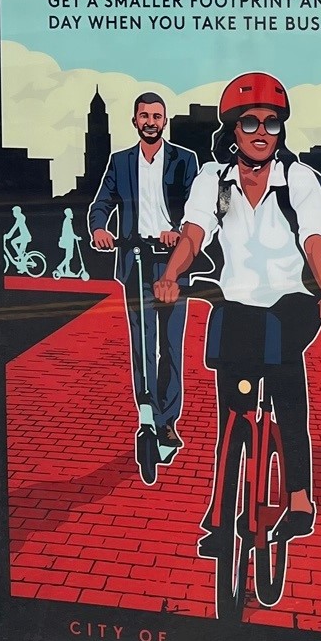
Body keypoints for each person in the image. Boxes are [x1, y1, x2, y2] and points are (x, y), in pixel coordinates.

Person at [154, 73, 321, 552]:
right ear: (232, 129)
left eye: (272, 123)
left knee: (286, 395)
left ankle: (299, 500)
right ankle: (221, 519)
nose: (262, 132)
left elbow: (317, 243)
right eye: (250, 122)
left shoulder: (298, 180)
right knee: (233, 413)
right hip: (235, 299)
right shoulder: (213, 180)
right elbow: (195, 233)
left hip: (292, 301)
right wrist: (171, 276)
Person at [90, 92, 200, 475]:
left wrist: (178, 230)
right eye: (144, 116)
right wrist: (100, 228)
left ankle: (168, 418)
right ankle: (147, 411)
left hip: (172, 259)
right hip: (134, 259)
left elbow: (195, 206)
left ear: (164, 121)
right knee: (142, 342)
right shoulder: (120, 162)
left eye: (157, 116)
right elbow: (101, 202)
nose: (151, 121)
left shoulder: (185, 160)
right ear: (134, 121)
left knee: (170, 342)